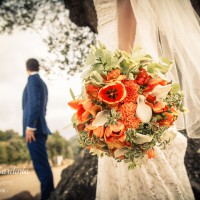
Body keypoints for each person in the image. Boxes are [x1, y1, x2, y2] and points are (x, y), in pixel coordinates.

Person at [94, 0, 200, 199]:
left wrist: (123, 71)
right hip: (108, 44)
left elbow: (126, 4)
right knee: (117, 135)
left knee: (131, 129)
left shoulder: (122, 58)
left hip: (121, 46)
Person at [22, 58, 54, 200]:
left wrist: (30, 127)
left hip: (34, 131)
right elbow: (43, 108)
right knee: (43, 165)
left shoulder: (32, 80)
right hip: (40, 129)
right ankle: (49, 195)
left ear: (27, 68)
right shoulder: (42, 83)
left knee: (41, 166)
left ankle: (47, 197)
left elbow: (35, 104)